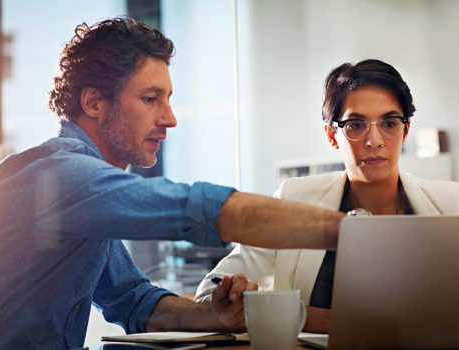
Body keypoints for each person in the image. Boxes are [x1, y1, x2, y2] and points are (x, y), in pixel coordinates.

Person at [0, 17, 344, 349]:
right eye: (151, 99)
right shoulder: (58, 176)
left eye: (168, 98)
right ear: (94, 102)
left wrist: (216, 315)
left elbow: (135, 302)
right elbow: (194, 208)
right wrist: (355, 232)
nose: (170, 118)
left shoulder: (86, 195)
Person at [195, 59, 459, 333]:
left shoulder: (451, 204)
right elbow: (209, 292)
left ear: (405, 130)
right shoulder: (295, 199)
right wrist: (301, 315)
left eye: (389, 123)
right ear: (332, 135)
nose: (375, 140)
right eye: (356, 125)